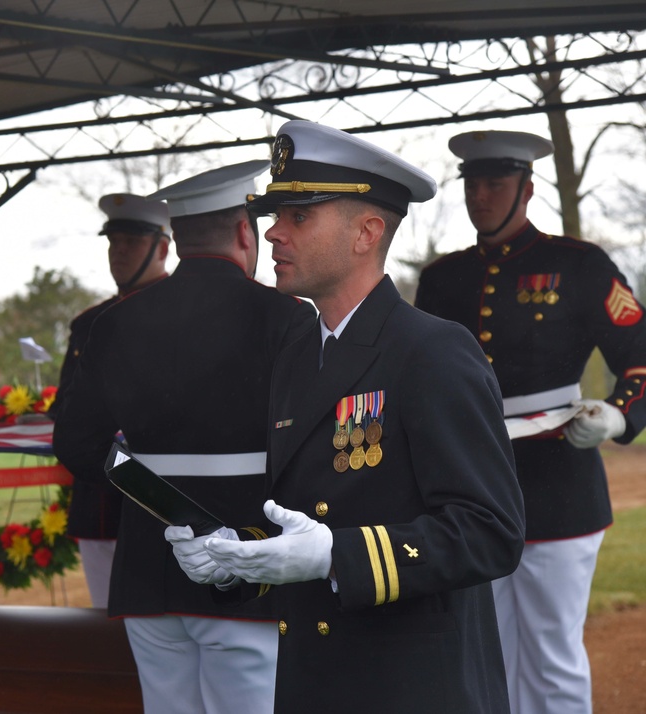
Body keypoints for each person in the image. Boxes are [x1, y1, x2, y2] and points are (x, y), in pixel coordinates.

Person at [176, 121, 526, 713]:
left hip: (412, 687)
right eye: (273, 216)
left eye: (299, 216)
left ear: (367, 232)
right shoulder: (296, 353)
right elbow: (312, 515)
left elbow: (490, 533)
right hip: (317, 680)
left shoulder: (431, 350)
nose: (273, 233)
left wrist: (337, 555)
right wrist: (238, 557)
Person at [52, 160, 317, 714]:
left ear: (175, 237)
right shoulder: (287, 316)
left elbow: (77, 445)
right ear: (245, 231)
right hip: (248, 563)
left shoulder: (114, 322)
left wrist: (160, 500)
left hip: (149, 566)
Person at [415, 129, 646, 714]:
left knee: (551, 655)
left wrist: (618, 416)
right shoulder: (443, 279)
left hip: (560, 480)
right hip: (470, 486)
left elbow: (640, 353)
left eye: (496, 183)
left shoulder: (580, 265)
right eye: (472, 183)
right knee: (483, 653)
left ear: (528, 189)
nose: (480, 196)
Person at [51, 192, 171, 608]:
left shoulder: (181, 315)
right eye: (113, 242)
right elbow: (66, 408)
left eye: (131, 242)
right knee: (106, 628)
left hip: (164, 501)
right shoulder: (89, 323)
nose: (118, 252)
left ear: (163, 247)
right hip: (98, 500)